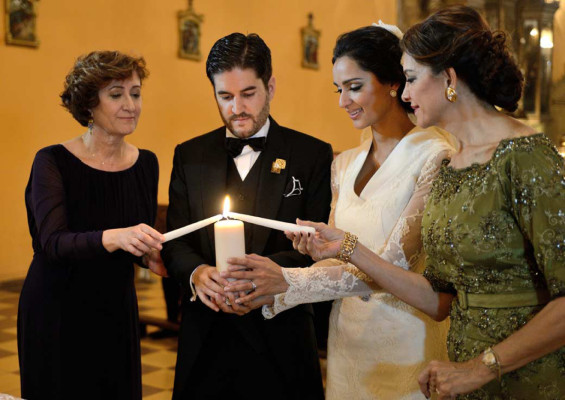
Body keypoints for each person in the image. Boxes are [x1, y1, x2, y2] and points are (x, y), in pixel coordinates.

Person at [276, 6, 565, 399]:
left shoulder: (526, 157)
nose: (406, 94)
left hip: (523, 377)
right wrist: (341, 247)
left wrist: (481, 368)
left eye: (410, 79)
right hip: (454, 374)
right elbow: (438, 299)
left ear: (448, 78)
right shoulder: (455, 164)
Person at [222, 23, 456, 399]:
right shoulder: (344, 164)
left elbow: (392, 263)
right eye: (339, 89)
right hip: (348, 342)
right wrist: (313, 252)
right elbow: (335, 259)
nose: (343, 101)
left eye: (355, 87)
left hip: (405, 343)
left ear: (393, 82)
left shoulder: (434, 154)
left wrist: (289, 282)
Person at [161, 33, 332, 400]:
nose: (237, 107)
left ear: (270, 85)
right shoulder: (189, 155)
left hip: (282, 336)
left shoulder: (311, 155)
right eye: (225, 96)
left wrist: (263, 277)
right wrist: (198, 274)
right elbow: (175, 243)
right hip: (206, 334)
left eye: (248, 94)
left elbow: (317, 247)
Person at [18, 51, 166, 400]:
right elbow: (53, 242)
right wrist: (117, 237)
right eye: (116, 94)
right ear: (88, 105)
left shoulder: (146, 163)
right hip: (57, 311)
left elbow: (136, 240)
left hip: (116, 309)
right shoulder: (51, 161)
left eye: (136, 92)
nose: (131, 104)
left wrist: (150, 257)